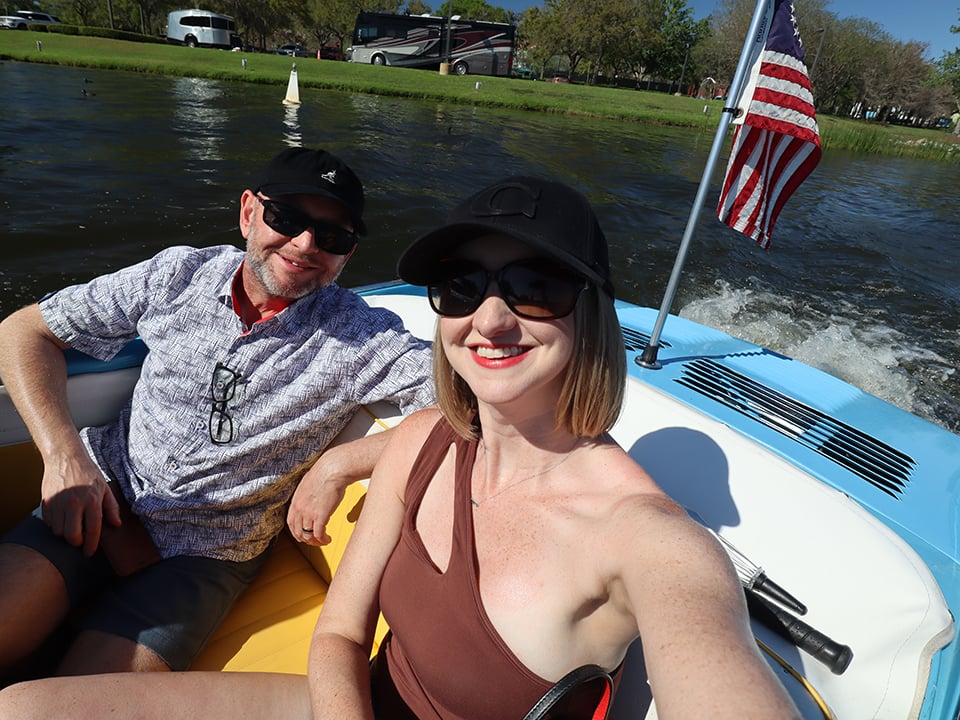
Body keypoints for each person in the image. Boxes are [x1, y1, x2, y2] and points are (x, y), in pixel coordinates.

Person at [0, 176, 799, 718]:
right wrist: (339, 461)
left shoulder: (652, 542)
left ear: (592, 311)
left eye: (536, 287)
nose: (489, 320)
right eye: (460, 288)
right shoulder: (424, 442)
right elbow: (342, 636)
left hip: (206, 559)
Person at [0, 146, 435, 681]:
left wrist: (340, 465)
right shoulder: (177, 275)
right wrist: (65, 457)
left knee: (74, 704)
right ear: (249, 212)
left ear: (347, 254)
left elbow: (472, 410)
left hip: (206, 552)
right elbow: (25, 331)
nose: (305, 244)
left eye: (333, 236)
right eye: (288, 218)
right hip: (101, 490)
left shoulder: (363, 337)